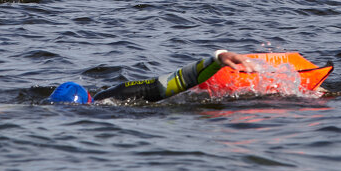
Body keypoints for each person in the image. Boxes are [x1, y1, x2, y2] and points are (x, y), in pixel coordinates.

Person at [48, 51, 254, 104]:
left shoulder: (117, 96)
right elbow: (178, 80)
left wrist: (217, 59)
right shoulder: (114, 99)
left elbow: (176, 81)